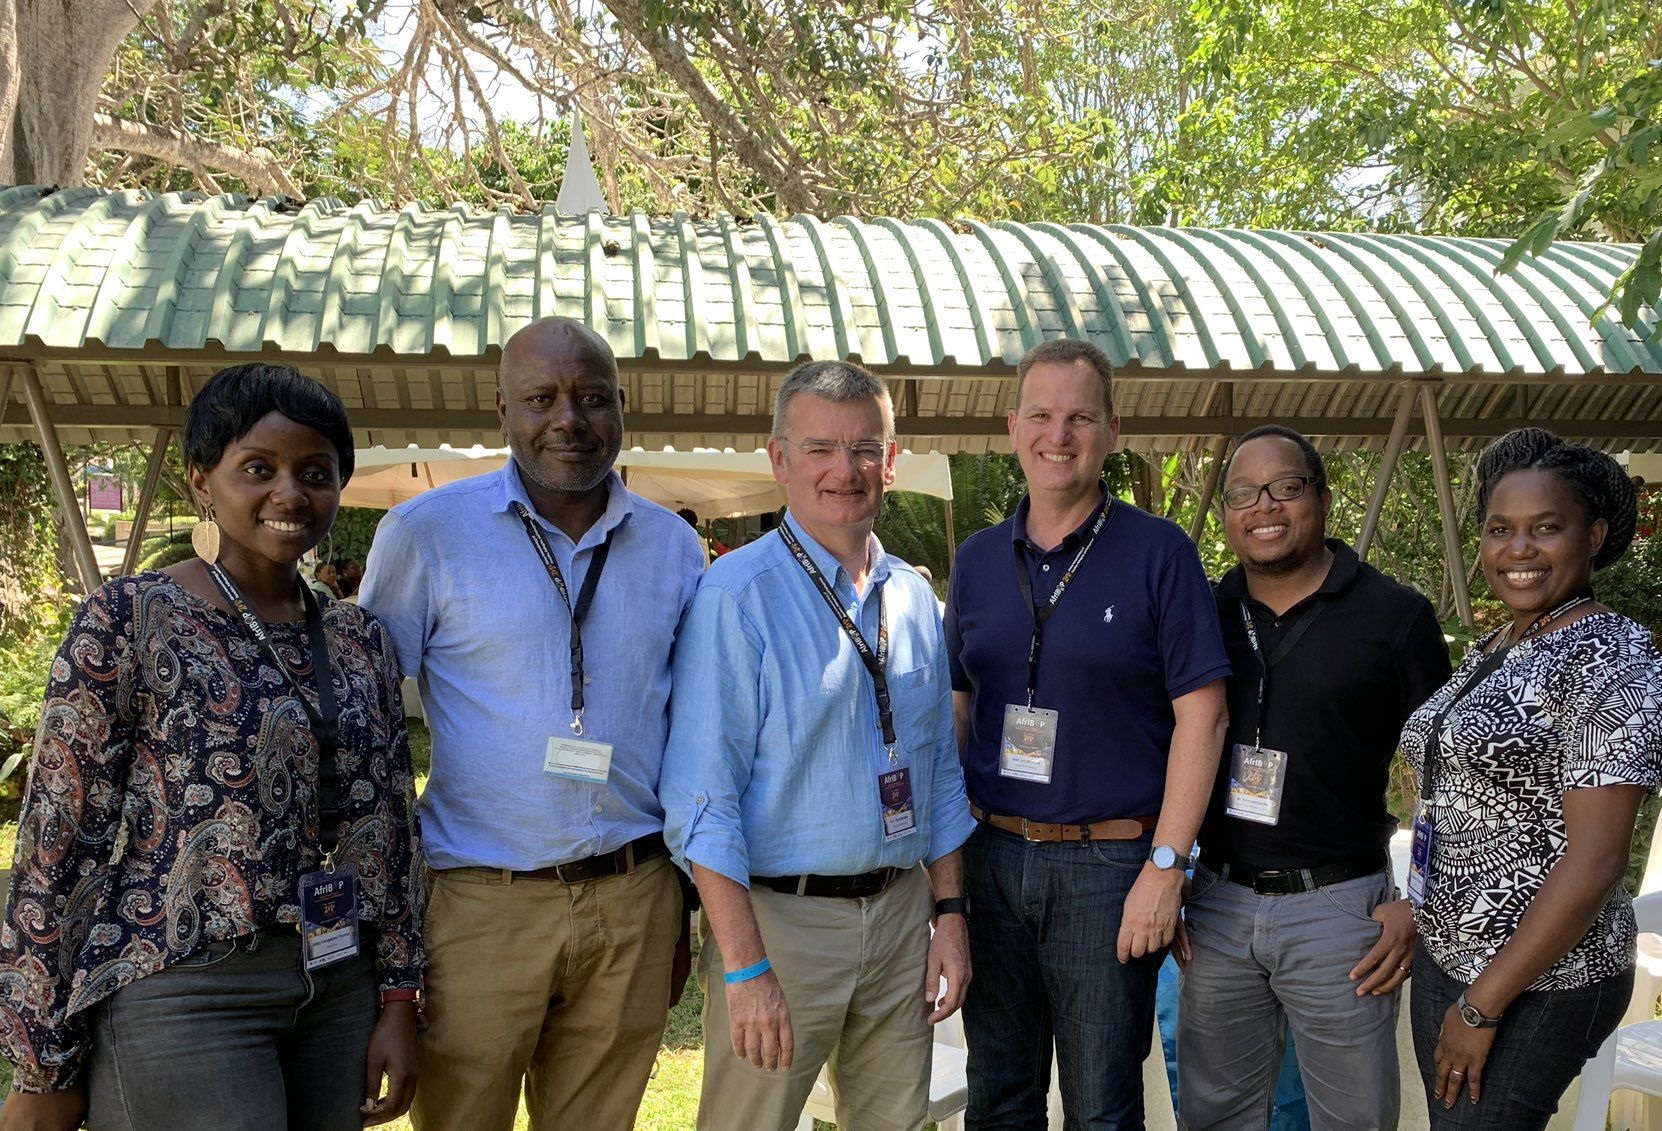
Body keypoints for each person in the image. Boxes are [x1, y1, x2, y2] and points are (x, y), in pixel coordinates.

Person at [0, 363, 425, 1131]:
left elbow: (389, 825)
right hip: (186, 984)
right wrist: (39, 1061)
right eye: (257, 469)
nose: (289, 493)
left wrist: (398, 993)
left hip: (335, 986)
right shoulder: (131, 618)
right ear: (203, 479)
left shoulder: (359, 639)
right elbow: (61, 837)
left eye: (316, 472)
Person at [359, 316, 704, 1131]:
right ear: (501, 412)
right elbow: (368, 729)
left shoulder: (674, 548)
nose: (568, 420)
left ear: (623, 407)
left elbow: (696, 731)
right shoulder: (425, 536)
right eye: (540, 398)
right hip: (481, 905)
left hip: (634, 898)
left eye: (590, 397)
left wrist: (680, 899)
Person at [660, 359, 976, 1131]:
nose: (846, 469)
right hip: (781, 926)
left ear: (891, 461)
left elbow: (935, 773)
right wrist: (745, 965)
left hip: (902, 918)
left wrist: (951, 913)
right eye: (820, 448)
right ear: (778, 460)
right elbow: (704, 800)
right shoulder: (736, 596)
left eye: (866, 447)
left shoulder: (910, 595)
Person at [946, 337, 1230, 1129]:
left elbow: (1202, 715)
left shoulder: (1160, 553)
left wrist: (1166, 866)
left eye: (1079, 417)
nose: (1058, 435)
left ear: (1112, 429)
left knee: (1102, 1106)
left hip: (1109, 866)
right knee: (998, 1096)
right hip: (993, 855)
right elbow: (959, 708)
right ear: (1012, 427)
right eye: (1041, 414)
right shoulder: (974, 559)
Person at [1177, 425, 1452, 1131]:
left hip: (1341, 911)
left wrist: (1419, 898)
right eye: (1243, 492)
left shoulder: (1395, 617)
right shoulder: (1203, 613)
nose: (1264, 505)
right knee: (1215, 1113)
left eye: (1286, 487)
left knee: (1353, 1116)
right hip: (1218, 902)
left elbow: (1450, 776)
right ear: (1227, 513)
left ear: (1323, 497)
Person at [1400, 427, 1662, 1130]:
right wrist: (1416, 905)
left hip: (1537, 982)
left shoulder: (1609, 654)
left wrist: (1482, 1004)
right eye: (1499, 529)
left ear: (1594, 533)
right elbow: (1459, 792)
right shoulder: (1506, 640)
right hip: (1449, 958)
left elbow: (1597, 857)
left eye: (1545, 528)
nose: (1518, 549)